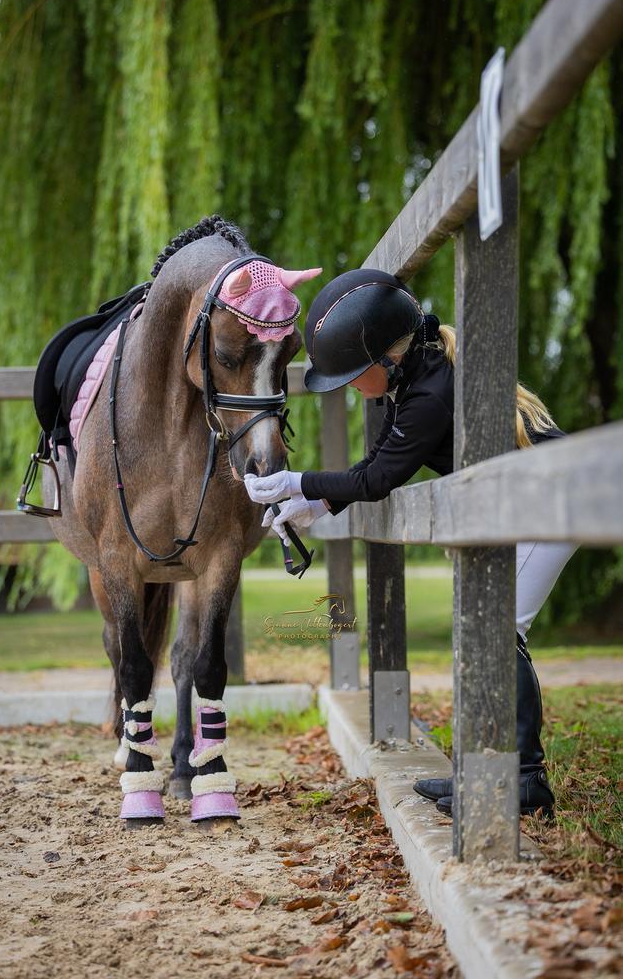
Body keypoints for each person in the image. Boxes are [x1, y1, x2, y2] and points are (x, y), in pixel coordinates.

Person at [244, 268, 578, 818]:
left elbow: (378, 480)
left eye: (354, 375)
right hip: (526, 503)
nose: (351, 387)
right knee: (487, 624)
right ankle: (488, 771)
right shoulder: (419, 379)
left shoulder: (429, 394)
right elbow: (374, 465)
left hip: (549, 504)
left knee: (497, 627)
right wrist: (318, 502)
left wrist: (298, 484)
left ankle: (522, 779)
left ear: (385, 359)